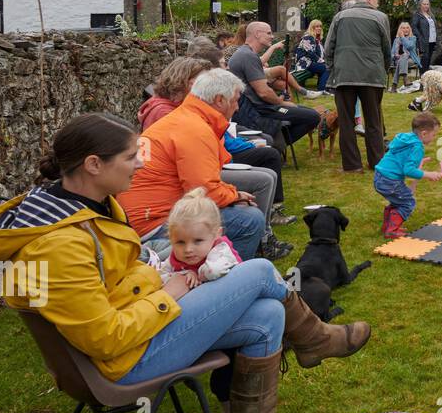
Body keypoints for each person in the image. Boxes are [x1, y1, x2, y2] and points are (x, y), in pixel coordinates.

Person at [0, 112, 372, 413]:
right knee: (257, 271)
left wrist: (161, 279)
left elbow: (122, 276)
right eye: (131, 156)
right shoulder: (59, 244)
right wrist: (167, 295)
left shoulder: (89, 206)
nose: (140, 164)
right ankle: (316, 339)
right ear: (93, 165)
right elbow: (104, 338)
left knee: (269, 312)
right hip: (122, 362)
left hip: (138, 327)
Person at [119, 69, 266, 261]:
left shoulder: (185, 118)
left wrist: (231, 195)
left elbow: (202, 182)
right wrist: (235, 195)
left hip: (139, 216)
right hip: (153, 223)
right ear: (220, 100)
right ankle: (227, 273)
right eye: (236, 100)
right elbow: (204, 190)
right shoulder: (195, 129)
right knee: (250, 220)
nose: (237, 107)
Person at [325, 0, 393, 172]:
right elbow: (387, 49)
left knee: (346, 121)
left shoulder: (340, 17)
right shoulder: (381, 17)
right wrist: (382, 70)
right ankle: (377, 163)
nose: (377, 2)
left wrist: (334, 67)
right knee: (374, 121)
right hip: (372, 76)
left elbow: (328, 47)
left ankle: (352, 165)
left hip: (344, 76)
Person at [227, 21, 322, 147]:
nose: (272, 36)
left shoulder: (246, 54)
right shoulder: (247, 56)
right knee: (313, 116)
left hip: (257, 108)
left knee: (306, 111)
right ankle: (276, 145)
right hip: (257, 112)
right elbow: (263, 92)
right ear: (257, 34)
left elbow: (262, 87)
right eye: (268, 33)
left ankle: (277, 143)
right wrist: (281, 102)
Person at [373, 111, 442, 238]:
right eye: (434, 134)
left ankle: (387, 227)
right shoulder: (417, 147)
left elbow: (403, 160)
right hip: (390, 181)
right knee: (408, 202)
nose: (434, 137)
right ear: (424, 133)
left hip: (380, 176)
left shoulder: (406, 139)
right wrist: (429, 174)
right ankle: (392, 230)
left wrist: (418, 164)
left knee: (398, 200)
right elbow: (409, 171)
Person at [156, 187, 242, 284]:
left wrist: (196, 275)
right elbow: (158, 277)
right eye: (180, 242)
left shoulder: (220, 249)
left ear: (217, 234)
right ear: (171, 239)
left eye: (198, 241)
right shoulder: (175, 257)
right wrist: (184, 274)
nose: (188, 249)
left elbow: (213, 271)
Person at [293, 20, 329, 91]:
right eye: (317, 26)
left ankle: (322, 86)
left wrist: (324, 61)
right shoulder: (308, 37)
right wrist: (322, 61)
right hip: (305, 63)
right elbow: (310, 53)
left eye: (320, 26)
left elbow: (320, 54)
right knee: (326, 68)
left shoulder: (317, 40)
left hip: (312, 63)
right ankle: (322, 89)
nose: (319, 28)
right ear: (312, 28)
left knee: (324, 67)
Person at [390, 21, 422, 92]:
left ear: (410, 29)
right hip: (398, 60)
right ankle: (405, 78)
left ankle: (394, 86)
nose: (406, 29)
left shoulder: (413, 38)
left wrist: (402, 37)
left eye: (407, 28)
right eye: (403, 28)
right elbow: (392, 53)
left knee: (404, 56)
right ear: (400, 30)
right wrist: (395, 56)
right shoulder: (396, 40)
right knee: (401, 58)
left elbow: (409, 46)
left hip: (410, 60)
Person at [412, 0, 440, 69]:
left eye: (427, 4)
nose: (426, 6)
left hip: (432, 41)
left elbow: (434, 28)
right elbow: (414, 28)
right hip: (423, 42)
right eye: (424, 4)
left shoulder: (431, 15)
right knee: (424, 61)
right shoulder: (417, 15)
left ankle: (427, 77)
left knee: (428, 60)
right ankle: (423, 77)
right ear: (420, 5)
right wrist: (420, 38)